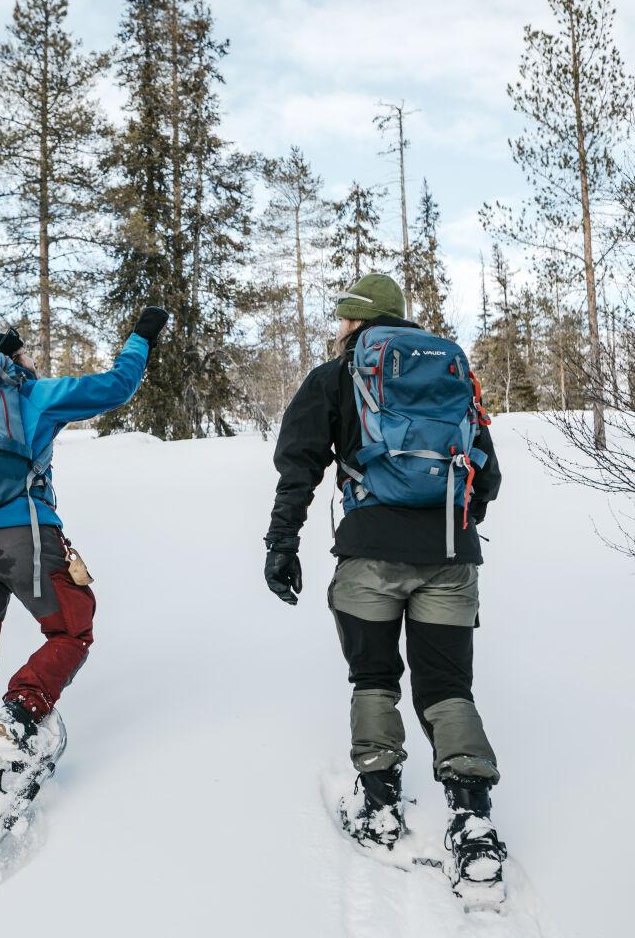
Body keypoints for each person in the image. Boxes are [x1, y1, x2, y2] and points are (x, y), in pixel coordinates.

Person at [263, 273, 508, 896]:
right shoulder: (448, 373)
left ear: (356, 322)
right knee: (448, 687)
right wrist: (453, 527)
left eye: (342, 317)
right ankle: (473, 821)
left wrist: (282, 544)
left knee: (373, 678)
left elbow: (299, 465)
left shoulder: (336, 377)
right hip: (451, 557)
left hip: (368, 556)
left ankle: (379, 803)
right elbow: (490, 476)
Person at [0, 308, 168, 780]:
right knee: (71, 630)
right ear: (10, 360)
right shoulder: (30, 395)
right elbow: (116, 386)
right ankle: (20, 712)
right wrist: (141, 337)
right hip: (26, 535)